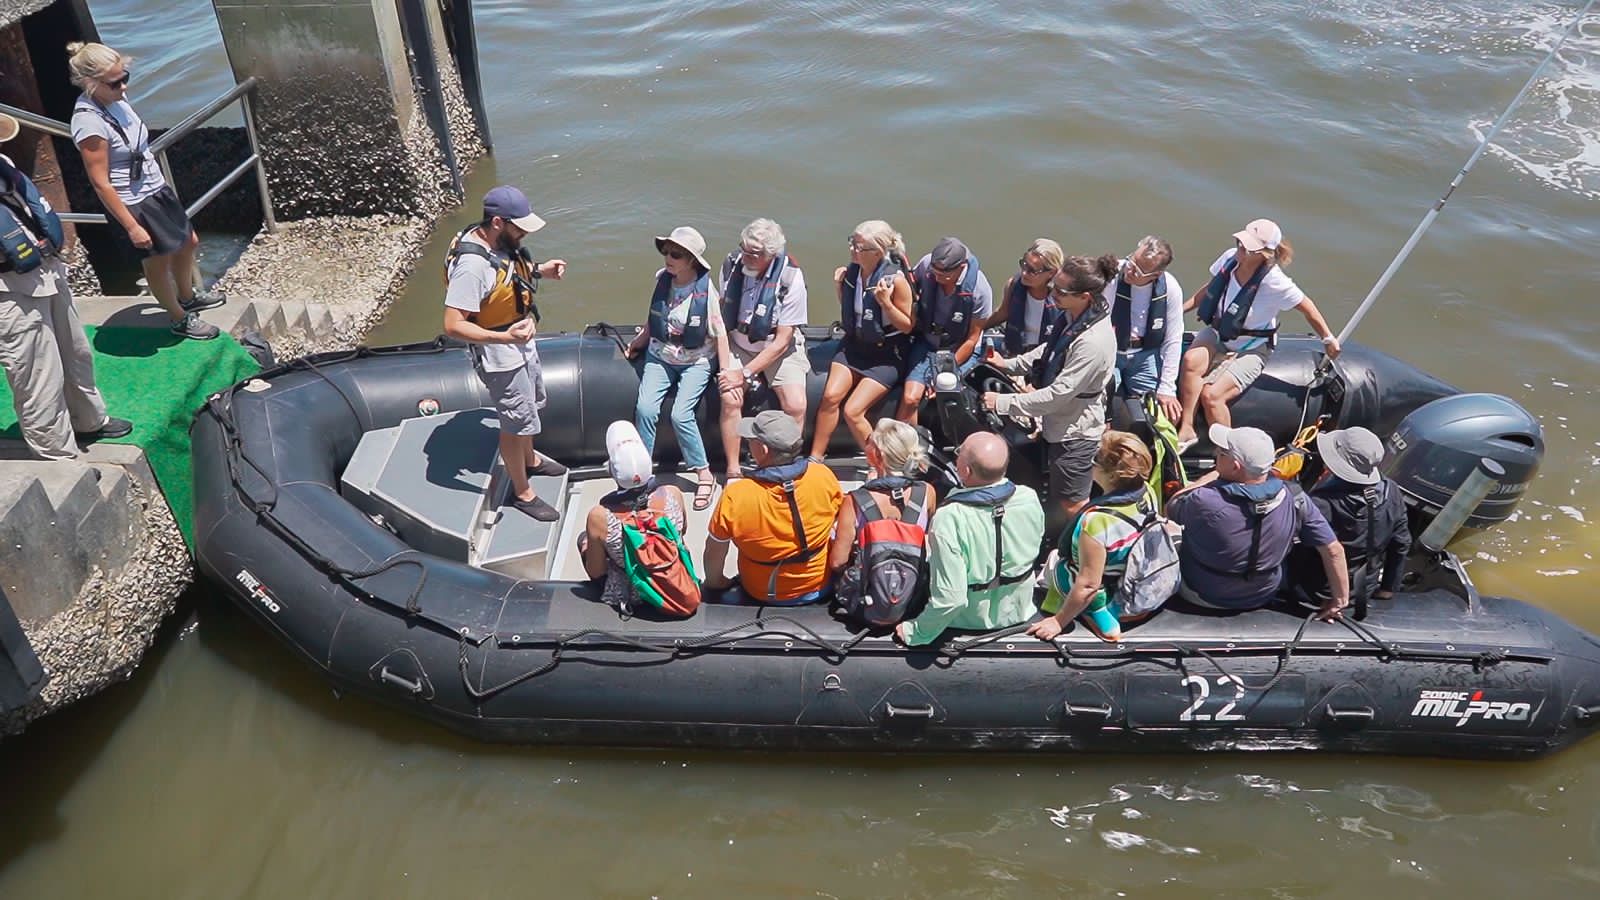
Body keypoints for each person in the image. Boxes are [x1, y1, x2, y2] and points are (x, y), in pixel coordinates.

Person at [66, 41, 222, 341]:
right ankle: (179, 318)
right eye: (115, 83)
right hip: (132, 201)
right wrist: (132, 226)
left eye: (125, 77)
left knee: (188, 241)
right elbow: (101, 182)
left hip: (155, 187)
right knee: (157, 262)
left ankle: (187, 295)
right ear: (90, 83)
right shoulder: (89, 123)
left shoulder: (115, 101)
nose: (123, 87)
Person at [0, 112, 131, 459]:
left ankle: (88, 420)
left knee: (75, 350)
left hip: (45, 269)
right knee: (36, 373)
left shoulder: (3, 162)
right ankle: (57, 454)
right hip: (8, 290)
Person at [442, 185, 568, 521]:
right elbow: (453, 324)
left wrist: (540, 270)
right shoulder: (471, 266)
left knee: (528, 410)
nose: (525, 232)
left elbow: (505, 273)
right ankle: (523, 492)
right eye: (520, 226)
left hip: (518, 337)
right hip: (500, 350)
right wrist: (503, 339)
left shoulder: (497, 242)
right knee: (514, 422)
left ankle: (531, 459)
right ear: (498, 222)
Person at [982, 254, 1119, 543]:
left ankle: (1097, 553)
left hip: (1074, 432)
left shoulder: (1093, 343)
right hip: (1056, 422)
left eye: (1060, 291)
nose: (1052, 294)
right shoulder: (1074, 316)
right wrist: (1009, 365)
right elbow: (1050, 350)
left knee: (1073, 503)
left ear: (1084, 296)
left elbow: (1057, 396)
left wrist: (1002, 403)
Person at [1176, 219, 1341, 447]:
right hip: (1218, 333)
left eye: (1247, 248)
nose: (1240, 249)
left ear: (1263, 253)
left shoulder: (1276, 283)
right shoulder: (1230, 258)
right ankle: (1187, 428)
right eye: (1240, 243)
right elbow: (1210, 289)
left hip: (1252, 346)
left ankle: (1231, 451)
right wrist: (1180, 310)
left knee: (1212, 396)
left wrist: (1328, 338)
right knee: (1191, 360)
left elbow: (1307, 308)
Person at [1167, 424, 1349, 620]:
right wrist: (1339, 600)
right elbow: (1333, 550)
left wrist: (1212, 476)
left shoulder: (1203, 500)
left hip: (1203, 594)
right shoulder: (1296, 497)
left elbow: (1171, 507)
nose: (1215, 453)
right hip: (1262, 594)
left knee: (1170, 531)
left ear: (1235, 466)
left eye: (1220, 454)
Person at [897, 433, 1044, 646]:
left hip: (966, 621)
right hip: (1019, 612)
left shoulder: (949, 517)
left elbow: (951, 600)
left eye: (959, 453)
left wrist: (916, 631)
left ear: (965, 470)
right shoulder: (1030, 498)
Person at [624, 226, 729, 511]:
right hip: (661, 355)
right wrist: (638, 343)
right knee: (646, 408)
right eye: (666, 252)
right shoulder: (662, 280)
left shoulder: (706, 292)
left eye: (676, 254)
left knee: (681, 414)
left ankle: (703, 474)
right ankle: (642, 475)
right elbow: (654, 319)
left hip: (696, 360)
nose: (668, 258)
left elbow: (720, 334)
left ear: (691, 260)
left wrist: (727, 371)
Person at [1029, 431, 1160, 643]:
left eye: (1095, 460)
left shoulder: (1096, 522)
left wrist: (1058, 622)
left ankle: (1095, 609)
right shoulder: (1148, 493)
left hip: (1102, 581)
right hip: (1130, 573)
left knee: (1056, 563)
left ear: (1111, 476)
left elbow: (1088, 584)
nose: (1091, 463)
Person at [705, 410, 842, 604]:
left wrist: (716, 584)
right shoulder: (823, 476)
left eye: (751, 439)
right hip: (820, 586)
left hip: (761, 590)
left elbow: (714, 555)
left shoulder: (736, 495)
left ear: (763, 449)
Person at [808, 220, 914, 459]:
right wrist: (839, 286)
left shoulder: (895, 281)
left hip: (885, 354)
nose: (852, 250)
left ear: (877, 252)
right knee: (830, 397)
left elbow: (907, 326)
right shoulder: (851, 274)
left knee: (853, 411)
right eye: (852, 243)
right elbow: (853, 311)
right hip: (854, 346)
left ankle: (882, 462)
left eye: (858, 247)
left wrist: (886, 302)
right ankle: (815, 457)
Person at [715, 218, 809, 481]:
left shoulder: (791, 277)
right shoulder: (731, 264)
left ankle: (785, 466)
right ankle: (733, 470)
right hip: (738, 342)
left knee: (796, 404)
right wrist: (728, 369)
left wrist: (744, 373)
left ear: (772, 255)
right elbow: (721, 317)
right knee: (730, 398)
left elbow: (783, 340)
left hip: (777, 347)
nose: (746, 257)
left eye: (754, 254)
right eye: (744, 249)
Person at [1289, 427, 1412, 617]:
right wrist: (1388, 588)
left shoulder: (1321, 503)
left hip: (1314, 592)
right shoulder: (1392, 492)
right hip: (1363, 590)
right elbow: (1401, 543)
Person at [578, 421, 690, 608]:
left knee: (584, 539)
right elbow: (681, 533)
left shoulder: (599, 516)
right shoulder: (673, 494)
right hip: (672, 584)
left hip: (634, 594)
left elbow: (596, 571)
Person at [895, 236, 992, 422]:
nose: (937, 277)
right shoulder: (926, 264)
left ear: (961, 267)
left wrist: (944, 371)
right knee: (910, 398)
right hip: (929, 342)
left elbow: (972, 338)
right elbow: (909, 292)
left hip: (959, 348)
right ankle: (904, 447)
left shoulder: (980, 290)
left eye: (944, 273)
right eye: (935, 271)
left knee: (948, 395)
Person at [827, 418, 938, 575]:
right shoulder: (927, 492)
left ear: (878, 455)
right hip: (914, 588)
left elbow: (838, 562)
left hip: (871, 593)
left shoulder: (855, 501)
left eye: (869, 442)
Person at [1103, 236, 1184, 424]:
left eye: (1139, 270)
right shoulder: (1110, 275)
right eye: (1132, 260)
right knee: (1098, 400)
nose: (1130, 269)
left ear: (1155, 275)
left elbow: (1173, 339)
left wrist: (1167, 389)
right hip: (1110, 350)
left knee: (1157, 413)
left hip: (1144, 355)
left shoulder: (1170, 288)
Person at [986, 238, 1063, 356]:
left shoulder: (1063, 299)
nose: (1024, 273)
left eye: (1032, 271)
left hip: (1043, 357)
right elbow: (1002, 313)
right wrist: (976, 329)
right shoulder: (1013, 285)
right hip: (1015, 351)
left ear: (1051, 273)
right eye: (1024, 265)